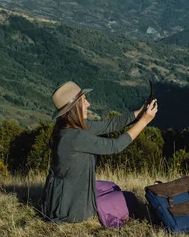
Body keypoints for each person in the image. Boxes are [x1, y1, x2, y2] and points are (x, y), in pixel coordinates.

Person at [43, 81, 158, 224]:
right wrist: (144, 122)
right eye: (84, 101)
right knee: (130, 198)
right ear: (75, 108)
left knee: (111, 186)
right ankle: (93, 209)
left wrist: (139, 114)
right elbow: (115, 146)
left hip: (63, 198)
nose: (88, 104)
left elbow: (108, 125)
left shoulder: (66, 128)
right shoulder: (76, 137)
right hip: (71, 210)